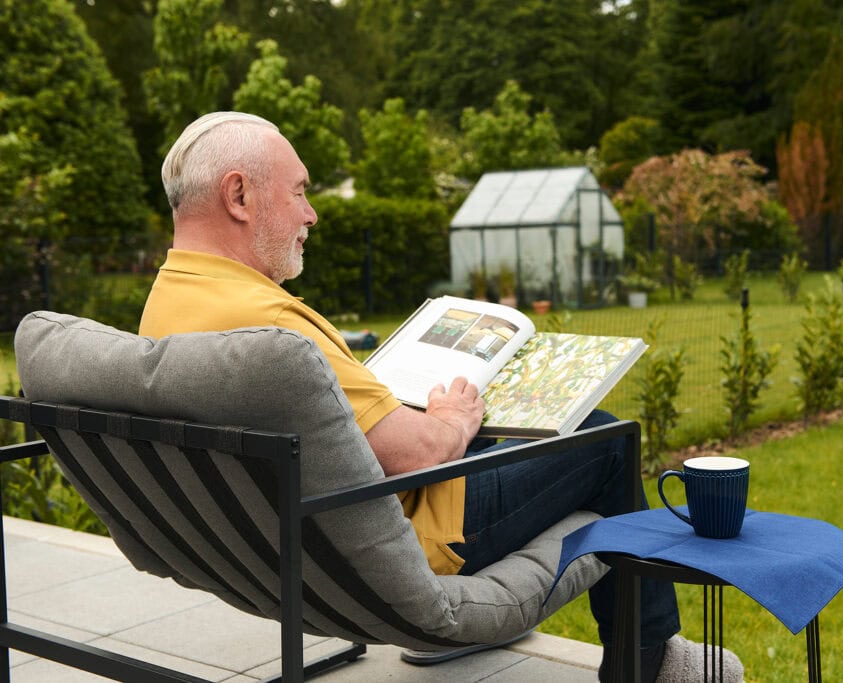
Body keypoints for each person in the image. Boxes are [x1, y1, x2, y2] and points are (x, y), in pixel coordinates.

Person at [139, 111, 743, 683]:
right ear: (239, 196)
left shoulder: (168, 305)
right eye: (298, 192)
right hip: (406, 545)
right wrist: (450, 419)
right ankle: (651, 660)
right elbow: (418, 455)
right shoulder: (270, 324)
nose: (311, 214)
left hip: (287, 555)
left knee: (499, 436)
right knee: (606, 439)